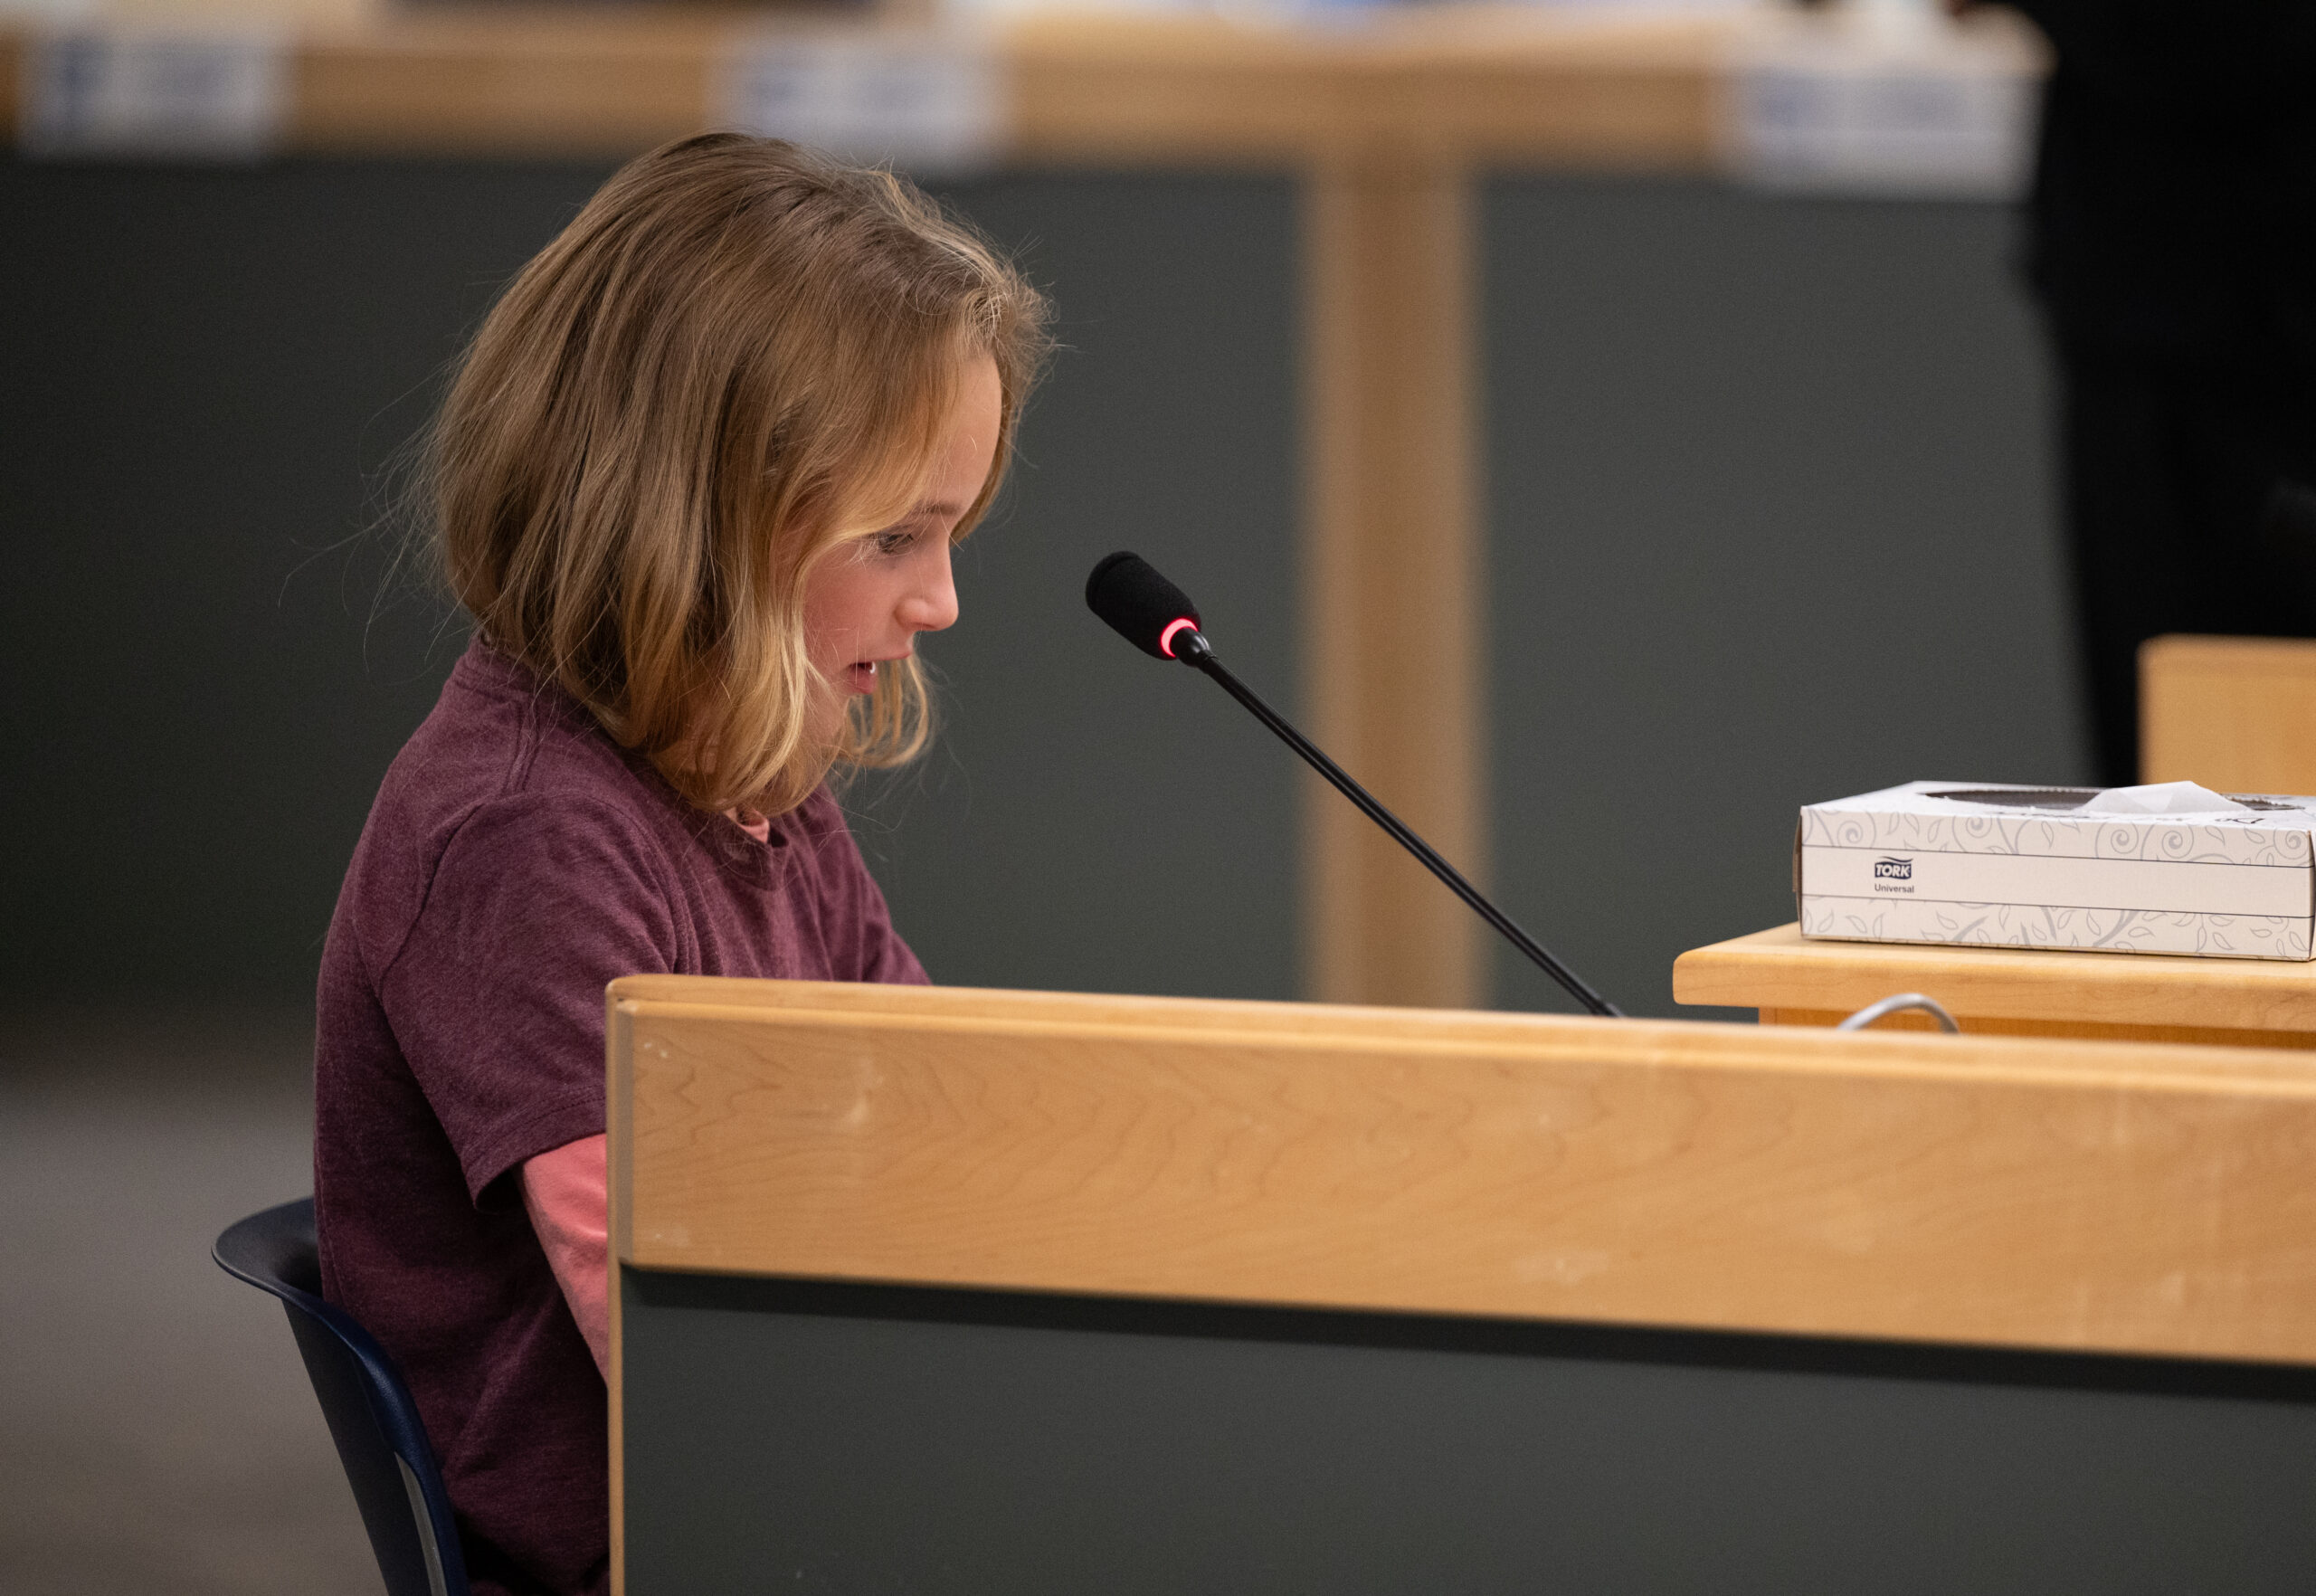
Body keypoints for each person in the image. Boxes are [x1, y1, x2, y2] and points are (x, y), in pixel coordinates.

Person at [312, 134, 1049, 1596]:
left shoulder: (744, 777)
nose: (942, 599)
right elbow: (691, 1342)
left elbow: (922, 1124)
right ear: (691, 525)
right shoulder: (524, 835)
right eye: (897, 534)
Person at [1997, 0, 2316, 785]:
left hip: (2246, 321)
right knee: (2168, 754)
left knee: (2236, 744)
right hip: (2158, 310)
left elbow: (2216, 41)